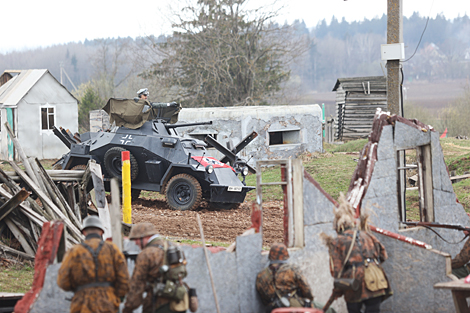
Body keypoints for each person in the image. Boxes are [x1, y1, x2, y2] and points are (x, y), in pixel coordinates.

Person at [321, 195, 392, 313]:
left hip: (354, 284)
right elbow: (383, 255)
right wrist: (370, 265)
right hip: (376, 279)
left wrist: (338, 290)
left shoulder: (337, 242)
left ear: (339, 227)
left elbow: (337, 271)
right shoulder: (368, 235)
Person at [57, 215, 130, 313]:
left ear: (84, 232)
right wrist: (115, 296)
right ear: (101, 232)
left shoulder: (74, 251)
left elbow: (63, 282)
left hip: (82, 305)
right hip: (108, 304)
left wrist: (79, 290)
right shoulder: (113, 249)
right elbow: (124, 281)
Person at [123, 222, 197, 313]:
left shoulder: (146, 254)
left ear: (144, 237)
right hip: (179, 302)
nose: (135, 243)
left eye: (136, 239)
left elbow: (137, 286)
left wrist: (128, 308)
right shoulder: (172, 246)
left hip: (158, 305)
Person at [256, 242, 335, 313]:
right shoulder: (292, 270)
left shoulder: (261, 275)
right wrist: (308, 300)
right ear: (285, 256)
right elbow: (307, 290)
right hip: (293, 305)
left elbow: (263, 298)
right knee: (329, 309)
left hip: (272, 308)